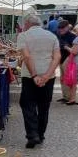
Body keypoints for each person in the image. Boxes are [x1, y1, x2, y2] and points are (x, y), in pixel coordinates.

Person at [16, 13, 61, 148]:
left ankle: (32, 135)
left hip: (30, 76)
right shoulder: (52, 36)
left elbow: (27, 57)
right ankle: (40, 135)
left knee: (28, 104)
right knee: (44, 106)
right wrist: (47, 75)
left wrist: (35, 75)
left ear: (27, 24)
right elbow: (57, 57)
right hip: (48, 76)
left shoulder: (23, 36)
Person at [56, 19, 76, 103]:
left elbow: (75, 50)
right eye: (60, 28)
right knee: (62, 78)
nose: (61, 30)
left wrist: (65, 47)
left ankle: (68, 97)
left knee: (67, 78)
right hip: (61, 57)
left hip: (68, 58)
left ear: (68, 27)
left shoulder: (72, 36)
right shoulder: (59, 35)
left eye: (63, 28)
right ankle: (65, 96)